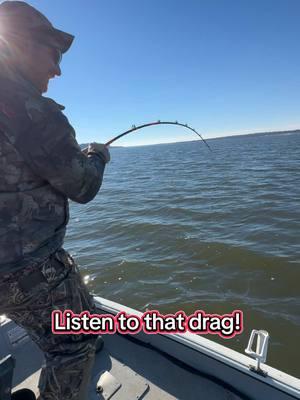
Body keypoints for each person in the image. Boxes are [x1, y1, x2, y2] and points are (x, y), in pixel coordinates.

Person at [0, 1, 110, 399]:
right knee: (72, 348)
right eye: (54, 54)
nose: (58, 69)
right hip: (23, 267)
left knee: (76, 293)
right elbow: (82, 188)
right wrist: (97, 156)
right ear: (20, 45)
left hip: (15, 263)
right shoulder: (32, 111)